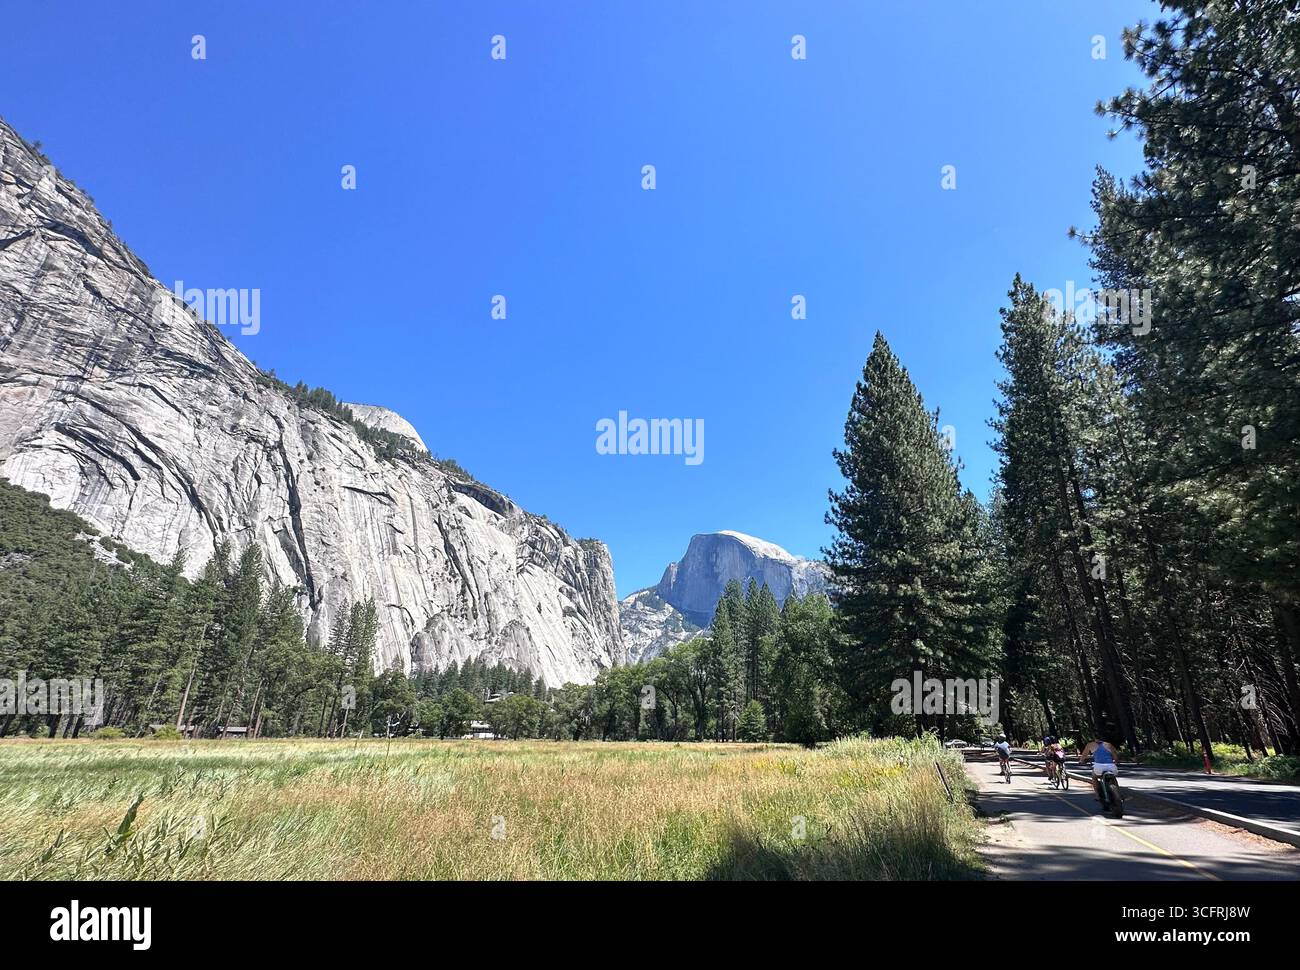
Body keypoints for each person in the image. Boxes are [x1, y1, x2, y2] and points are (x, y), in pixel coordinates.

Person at [1079, 737, 1119, 804]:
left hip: (1099, 767)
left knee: (1094, 777)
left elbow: (1084, 755)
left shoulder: (1090, 745)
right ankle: (1118, 794)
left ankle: (1097, 795)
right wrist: (1115, 762)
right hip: (1111, 766)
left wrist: (1081, 761)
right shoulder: (1109, 745)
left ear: (1095, 738)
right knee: (1113, 777)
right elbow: (1116, 758)